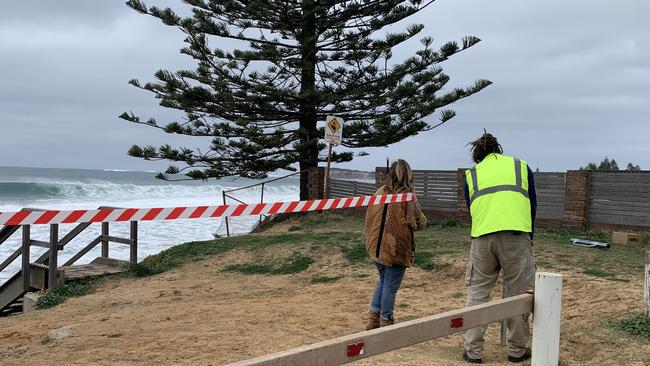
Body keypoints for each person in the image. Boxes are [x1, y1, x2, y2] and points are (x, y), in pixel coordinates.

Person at [462, 132, 537, 364]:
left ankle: (473, 351)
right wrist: (528, 235)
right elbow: (532, 203)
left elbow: (471, 207)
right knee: (520, 294)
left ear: (478, 156)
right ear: (498, 150)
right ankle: (517, 350)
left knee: (477, 293)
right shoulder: (520, 166)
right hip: (516, 236)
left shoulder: (472, 173)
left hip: (482, 237)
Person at [364, 159, 427, 330]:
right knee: (390, 287)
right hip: (394, 250)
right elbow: (417, 223)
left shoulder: (380, 192)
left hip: (376, 247)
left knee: (384, 282)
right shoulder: (406, 196)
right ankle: (386, 320)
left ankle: (373, 319)